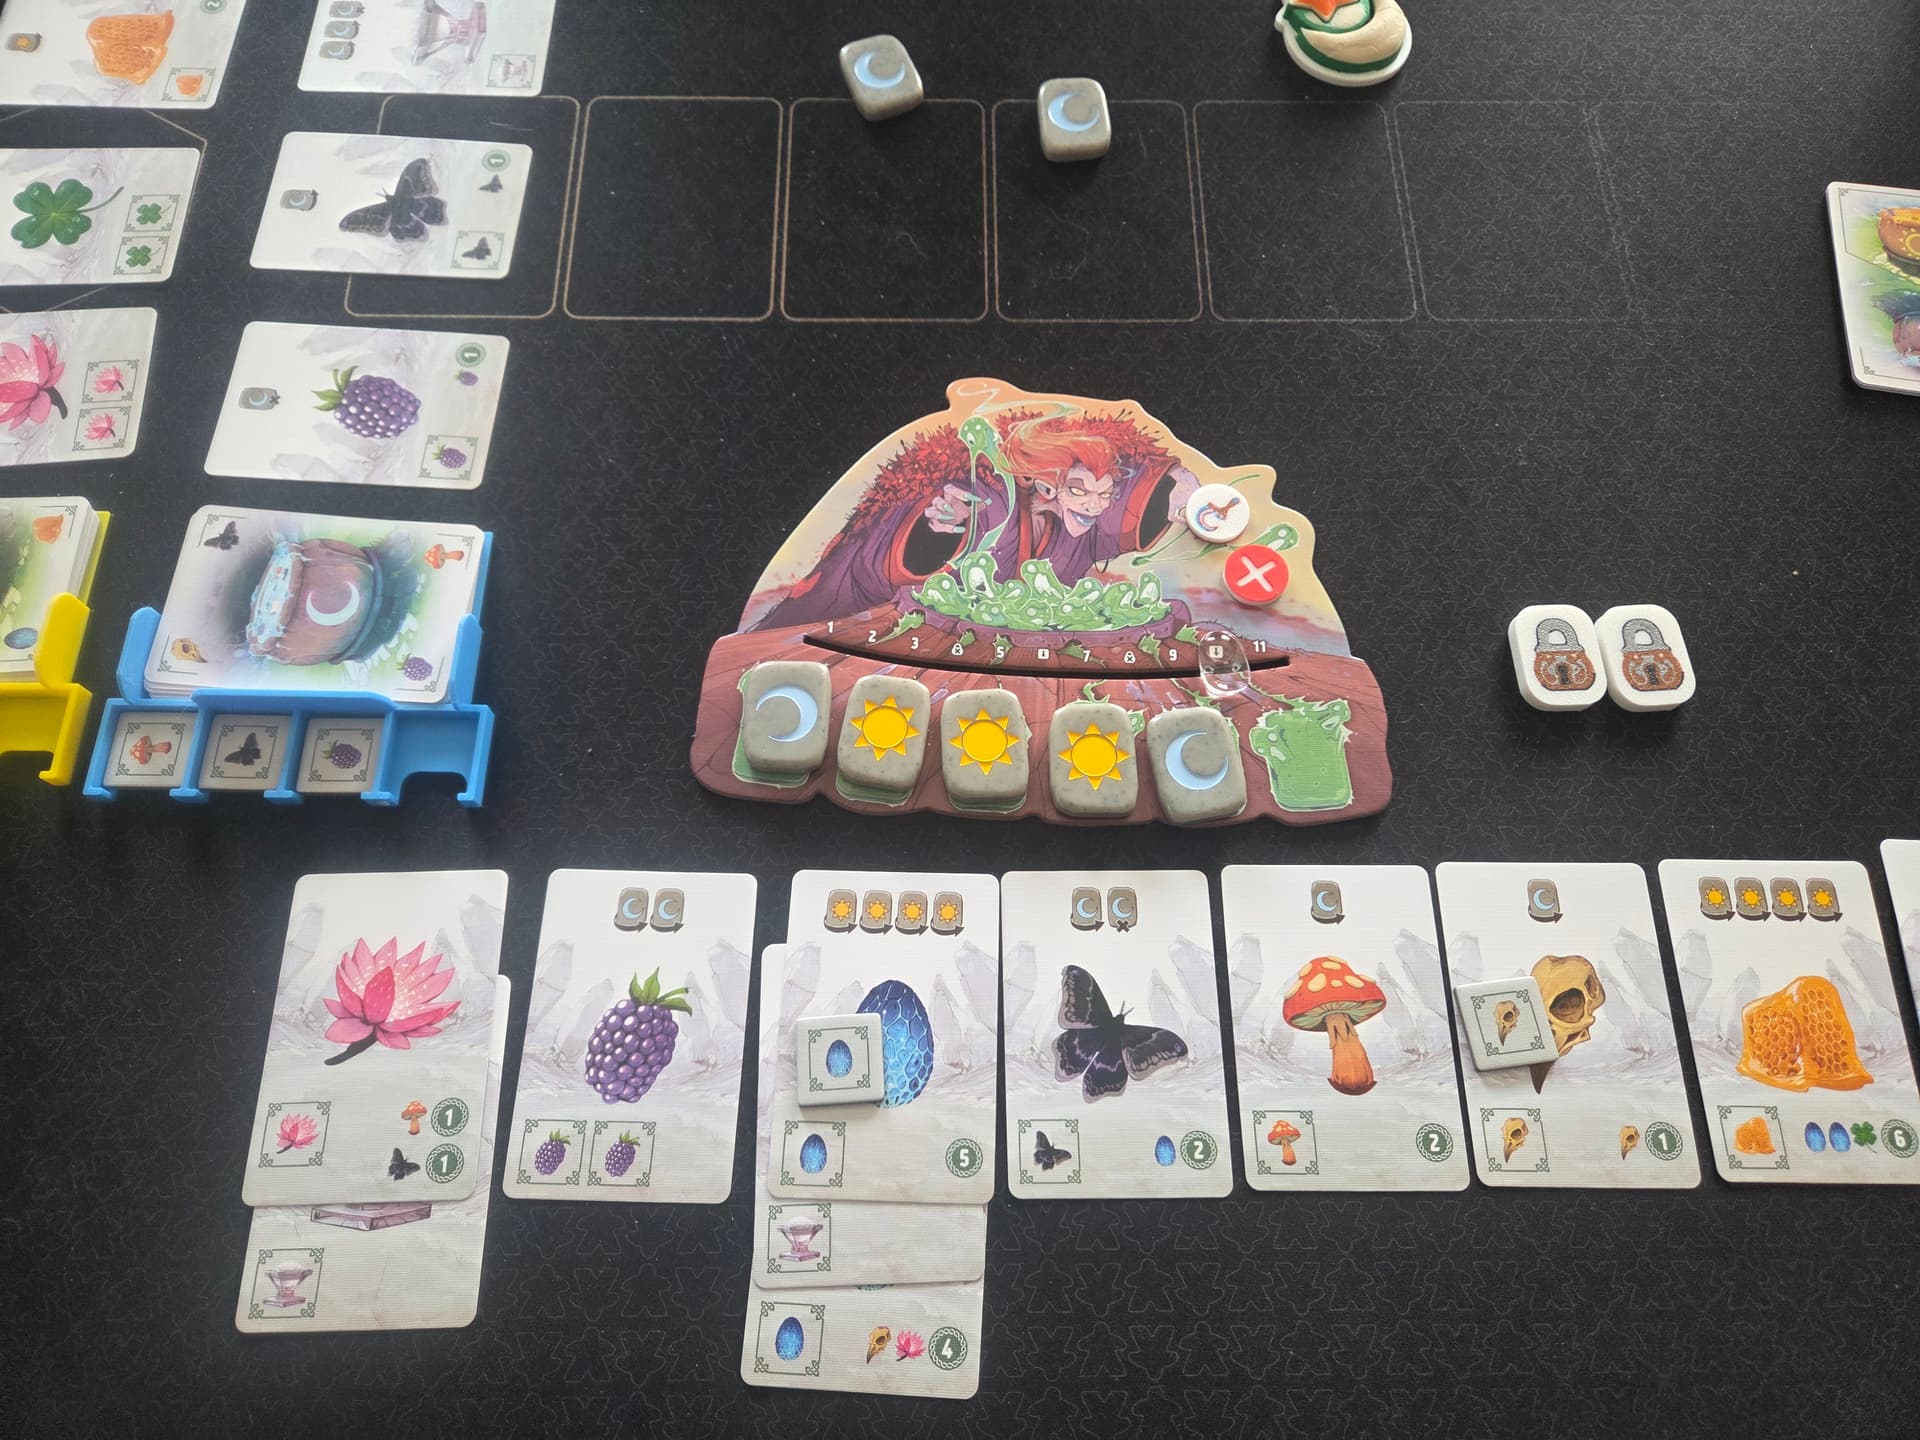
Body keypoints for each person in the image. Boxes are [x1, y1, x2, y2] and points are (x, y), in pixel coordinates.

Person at [757, 408, 1201, 630]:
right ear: (1044, 485)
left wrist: (1178, 488)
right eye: (1080, 492)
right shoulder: (991, 502)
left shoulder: (1080, 527)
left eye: (1104, 494)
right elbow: (910, 551)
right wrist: (939, 529)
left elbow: (1130, 493)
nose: (1094, 506)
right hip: (846, 622)